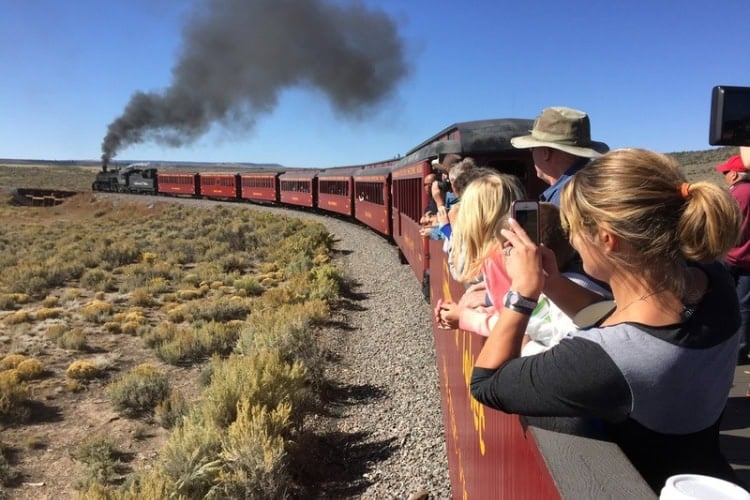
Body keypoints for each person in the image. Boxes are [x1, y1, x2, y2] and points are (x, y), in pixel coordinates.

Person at [469, 148, 743, 492]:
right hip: (708, 475)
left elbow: (486, 383)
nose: (572, 239)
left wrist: (522, 294)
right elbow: (622, 319)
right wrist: (551, 283)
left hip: (642, 487)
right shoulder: (713, 280)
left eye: (572, 229)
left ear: (607, 239)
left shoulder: (604, 360)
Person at [510, 106, 609, 206]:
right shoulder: (601, 186)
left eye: (532, 148)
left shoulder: (563, 199)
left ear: (546, 153)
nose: (532, 154)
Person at [717, 152, 750, 364]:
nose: (725, 176)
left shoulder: (734, 195)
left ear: (736, 175)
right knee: (745, 306)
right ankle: (740, 349)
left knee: (718, 299)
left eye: (727, 172)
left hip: (730, 257)